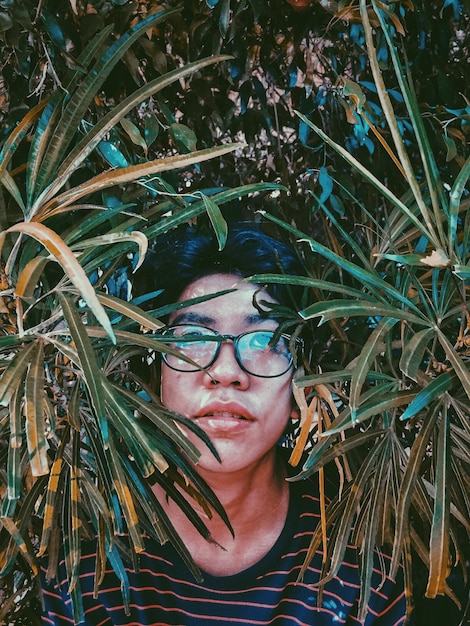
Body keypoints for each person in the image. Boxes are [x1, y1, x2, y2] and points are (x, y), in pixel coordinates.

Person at [40, 223, 407, 625]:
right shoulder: (85, 561)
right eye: (194, 336)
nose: (227, 371)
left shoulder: (364, 562)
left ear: (303, 380)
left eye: (264, 341)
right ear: (153, 371)